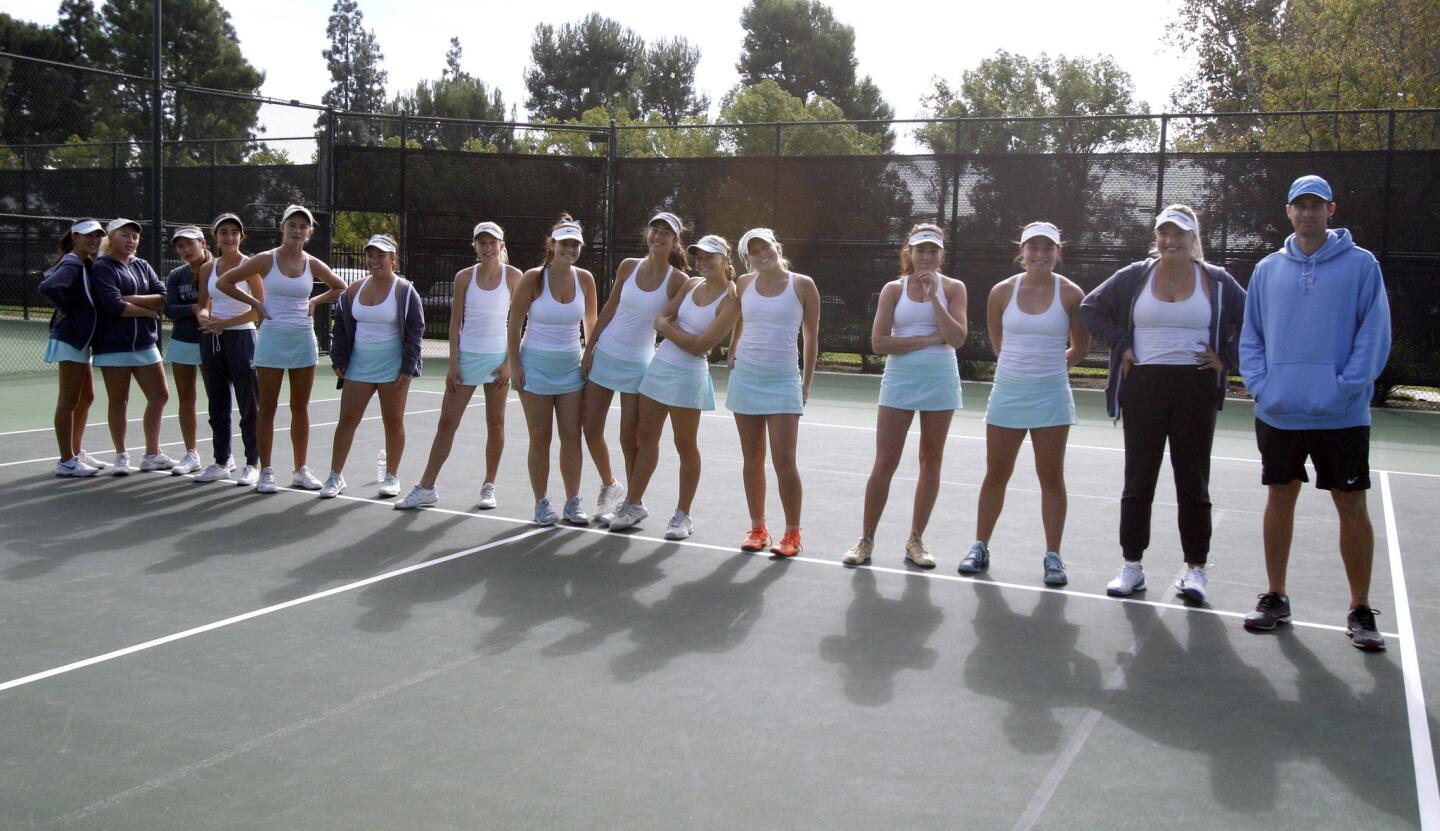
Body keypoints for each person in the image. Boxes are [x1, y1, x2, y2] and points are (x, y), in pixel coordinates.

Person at [1239, 175, 1392, 651]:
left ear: (1332, 210)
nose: (1308, 213)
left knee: (1351, 504)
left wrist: (1346, 388)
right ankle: (1276, 596)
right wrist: (1263, 386)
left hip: (1342, 416)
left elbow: (1375, 334)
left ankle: (1360, 608)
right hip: (1280, 413)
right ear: (1288, 211)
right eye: (1299, 205)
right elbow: (1252, 335)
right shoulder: (1267, 269)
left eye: (1316, 205)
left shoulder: (1362, 266)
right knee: (1279, 497)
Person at [1079, 206, 1246, 602]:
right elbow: (1090, 308)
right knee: (1138, 481)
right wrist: (1123, 344)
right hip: (1144, 387)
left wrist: (1227, 359)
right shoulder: (1135, 275)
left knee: (1193, 482)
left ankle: (1195, 570)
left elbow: (1256, 317)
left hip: (1196, 388)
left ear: (1193, 239)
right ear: (1156, 237)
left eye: (1179, 234)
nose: (1170, 241)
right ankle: (1132, 567)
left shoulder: (1217, 281)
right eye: (1163, 233)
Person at [959, 222, 1089, 585]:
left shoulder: (1072, 294)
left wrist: (1048, 368)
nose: (1040, 254)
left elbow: (1080, 347)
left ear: (1058, 252)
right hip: (1007, 392)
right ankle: (979, 546)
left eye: (1048, 247)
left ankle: (1053, 557)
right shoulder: (1001, 292)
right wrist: (1019, 367)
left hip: (1051, 396)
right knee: (996, 475)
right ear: (1022, 250)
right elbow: (998, 342)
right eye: (1033, 246)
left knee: (1051, 478)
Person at [841, 224, 967, 569]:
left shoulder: (954, 289)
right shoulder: (892, 290)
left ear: (941, 255)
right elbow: (879, 343)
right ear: (908, 253)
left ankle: (916, 540)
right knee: (885, 461)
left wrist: (933, 301)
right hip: (900, 380)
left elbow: (956, 338)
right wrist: (927, 340)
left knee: (931, 459)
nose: (926, 257)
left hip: (940, 380)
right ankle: (865, 539)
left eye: (933, 251)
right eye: (920, 250)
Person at [608, 234, 742, 537]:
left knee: (685, 445)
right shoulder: (690, 284)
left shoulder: (732, 302)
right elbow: (661, 318)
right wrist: (673, 329)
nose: (703, 261)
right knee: (645, 438)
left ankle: (682, 515)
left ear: (724, 260)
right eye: (699, 256)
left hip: (689, 376)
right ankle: (633, 504)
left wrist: (670, 329)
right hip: (659, 368)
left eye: (710, 256)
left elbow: (700, 346)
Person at [216, 204, 346, 493]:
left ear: (309, 232)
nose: (297, 230)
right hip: (272, 338)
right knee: (268, 408)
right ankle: (267, 472)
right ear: (282, 228)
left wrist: (314, 301)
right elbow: (226, 282)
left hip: (302, 338)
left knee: (300, 408)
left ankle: (300, 470)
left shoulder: (313, 263)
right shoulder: (264, 260)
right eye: (292, 225)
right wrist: (256, 303)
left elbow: (340, 287)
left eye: (303, 226)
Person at [395, 221, 520, 510]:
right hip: (466, 359)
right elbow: (455, 321)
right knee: (446, 423)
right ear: (475, 246)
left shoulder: (514, 276)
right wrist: (453, 362)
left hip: (497, 360)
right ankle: (426, 487)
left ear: (502, 246)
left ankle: (489, 486)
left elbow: (518, 321)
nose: (487, 248)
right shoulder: (464, 277)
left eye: (492, 243)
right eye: (482, 243)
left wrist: (508, 363)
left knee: (495, 423)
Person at [581, 211, 689, 525]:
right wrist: (590, 347)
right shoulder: (628, 266)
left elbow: (679, 323)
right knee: (591, 430)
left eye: (665, 233)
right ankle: (611, 485)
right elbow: (610, 306)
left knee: (630, 439)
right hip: (605, 356)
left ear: (674, 240)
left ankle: (633, 503)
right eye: (654, 230)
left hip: (640, 366)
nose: (657, 237)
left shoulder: (678, 280)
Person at [725, 228, 821, 557]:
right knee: (752, 459)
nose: (762, 252)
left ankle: (792, 534)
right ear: (748, 259)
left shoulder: (803, 285)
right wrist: (733, 346)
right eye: (754, 250)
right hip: (746, 377)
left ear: (776, 246)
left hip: (783, 380)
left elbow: (811, 337)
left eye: (765, 245)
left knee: (784, 461)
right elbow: (740, 318)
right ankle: (758, 528)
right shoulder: (743, 284)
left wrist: (805, 383)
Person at [507, 215, 598, 525]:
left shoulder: (585, 279)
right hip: (534, 367)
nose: (570, 249)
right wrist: (514, 364)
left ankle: (573, 502)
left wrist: (589, 355)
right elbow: (515, 322)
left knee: (572, 436)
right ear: (553, 245)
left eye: (575, 244)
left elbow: (591, 323)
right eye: (564, 244)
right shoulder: (533, 278)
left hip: (571, 369)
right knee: (540, 436)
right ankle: (541, 503)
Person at [320, 234, 424, 498]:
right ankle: (335, 476)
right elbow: (340, 327)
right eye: (370, 255)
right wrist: (339, 358)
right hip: (359, 367)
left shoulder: (405, 290)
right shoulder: (353, 289)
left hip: (393, 368)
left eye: (381, 255)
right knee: (347, 420)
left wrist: (407, 367)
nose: (374, 260)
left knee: (393, 422)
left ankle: (392, 476)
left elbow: (415, 330)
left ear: (393, 258)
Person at [88, 218, 172, 475]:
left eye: (135, 236)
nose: (131, 240)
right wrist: (145, 312)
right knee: (119, 400)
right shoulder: (102, 267)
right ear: (111, 238)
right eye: (125, 235)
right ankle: (121, 456)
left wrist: (131, 300)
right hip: (113, 345)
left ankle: (151, 454)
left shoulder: (142, 265)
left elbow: (164, 297)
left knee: (160, 395)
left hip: (145, 344)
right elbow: (111, 304)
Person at [193, 213, 262, 484]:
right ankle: (221, 461)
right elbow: (202, 304)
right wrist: (203, 318)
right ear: (215, 236)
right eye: (224, 232)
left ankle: (253, 463)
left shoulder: (251, 266)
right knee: (217, 403)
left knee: (249, 403)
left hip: (242, 338)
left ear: (241, 237)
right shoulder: (206, 269)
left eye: (234, 232)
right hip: (212, 340)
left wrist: (226, 323)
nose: (229, 237)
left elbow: (259, 309)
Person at [38, 218, 105, 477]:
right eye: (87, 235)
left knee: (86, 397)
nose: (94, 240)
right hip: (70, 338)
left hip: (79, 339)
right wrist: (69, 310)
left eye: (98, 235)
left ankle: (75, 451)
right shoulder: (73, 261)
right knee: (68, 400)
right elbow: (48, 286)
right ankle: (66, 460)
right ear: (74, 237)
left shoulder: (82, 262)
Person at [162, 227, 211, 478]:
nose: (185, 250)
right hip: (182, 341)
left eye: (189, 244)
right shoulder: (176, 275)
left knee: (217, 397)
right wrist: (195, 307)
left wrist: (198, 309)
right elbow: (170, 309)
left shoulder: (216, 269)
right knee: (186, 399)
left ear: (202, 243)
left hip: (210, 340)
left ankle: (222, 455)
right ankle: (191, 453)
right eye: (180, 246)